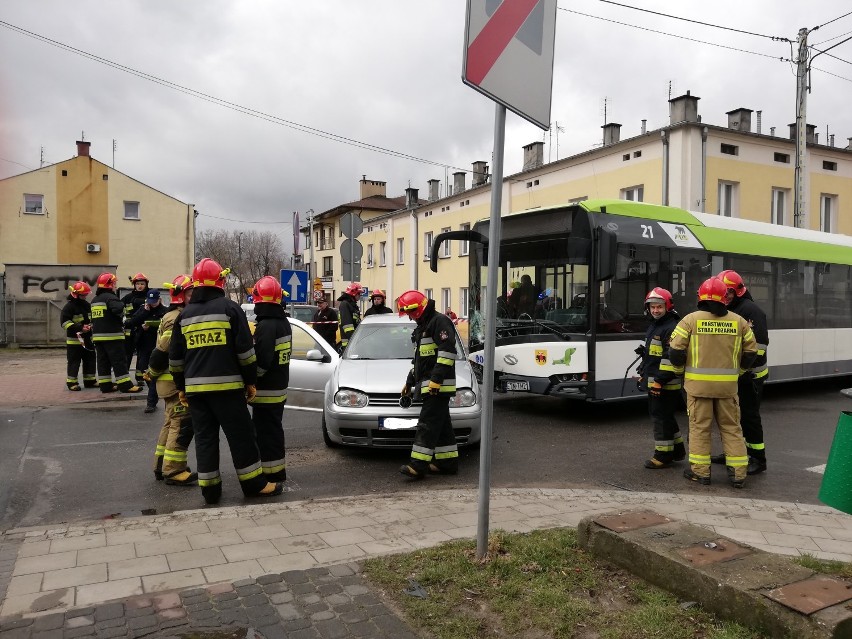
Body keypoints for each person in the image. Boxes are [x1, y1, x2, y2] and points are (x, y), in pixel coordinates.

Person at [169, 258, 284, 505]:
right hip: (228, 390)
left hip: (196, 392)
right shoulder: (230, 309)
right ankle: (254, 485)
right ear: (220, 280)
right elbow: (246, 353)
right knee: (241, 437)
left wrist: (181, 387)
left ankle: (210, 491)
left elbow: (176, 359)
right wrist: (250, 381)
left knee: (205, 439)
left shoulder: (185, 315)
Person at [668, 277, 757, 488]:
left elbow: (675, 351)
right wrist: (739, 372)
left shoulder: (690, 320)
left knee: (700, 429)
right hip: (728, 388)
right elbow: (751, 353)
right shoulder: (739, 322)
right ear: (724, 298)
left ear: (700, 296)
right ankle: (738, 474)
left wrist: (681, 372)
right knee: (732, 428)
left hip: (697, 388)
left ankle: (700, 473)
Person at [711, 270, 770, 476]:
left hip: (750, 376)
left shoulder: (750, 310)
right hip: (735, 375)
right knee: (733, 418)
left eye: (728, 293)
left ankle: (757, 458)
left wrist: (744, 368)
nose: (724, 296)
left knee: (749, 417)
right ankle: (735, 453)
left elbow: (759, 347)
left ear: (737, 292)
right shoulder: (728, 310)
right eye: (721, 292)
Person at [397, 289, 459, 479]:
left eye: (411, 313)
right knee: (441, 426)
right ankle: (447, 463)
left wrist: (436, 380)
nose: (410, 317)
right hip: (431, 385)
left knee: (427, 424)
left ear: (420, 308)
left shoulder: (439, 321)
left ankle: (418, 465)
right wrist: (409, 382)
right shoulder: (424, 326)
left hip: (438, 386)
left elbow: (447, 350)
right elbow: (422, 361)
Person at [144, 274, 197, 486]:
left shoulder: (172, 315)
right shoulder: (176, 318)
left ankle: (160, 465)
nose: (195, 296)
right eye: (191, 294)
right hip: (174, 384)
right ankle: (174, 470)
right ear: (180, 296)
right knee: (181, 425)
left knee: (169, 424)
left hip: (167, 383)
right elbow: (162, 351)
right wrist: (152, 372)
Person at [635, 288, 685, 469]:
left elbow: (669, 359)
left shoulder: (671, 327)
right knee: (667, 417)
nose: (655, 310)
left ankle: (663, 455)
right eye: (652, 307)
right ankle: (677, 450)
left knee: (660, 418)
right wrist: (644, 374)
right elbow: (653, 356)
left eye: (659, 307)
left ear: (668, 306)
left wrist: (658, 381)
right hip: (656, 381)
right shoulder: (656, 325)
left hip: (665, 384)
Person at [249, 276, 292, 483]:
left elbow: (262, 362)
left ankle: (271, 474)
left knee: (265, 434)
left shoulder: (266, 326)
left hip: (266, 391)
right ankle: (276, 471)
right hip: (279, 387)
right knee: (273, 431)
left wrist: (250, 381)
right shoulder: (283, 322)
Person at [91, 272, 143, 394]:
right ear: (110, 285)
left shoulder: (95, 300)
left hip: (98, 338)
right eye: (114, 283)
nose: (115, 286)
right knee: (119, 361)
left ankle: (105, 385)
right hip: (113, 337)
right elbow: (119, 309)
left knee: (103, 362)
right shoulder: (111, 297)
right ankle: (125, 386)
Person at [128, 289, 169, 413]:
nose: (152, 304)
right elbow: (131, 322)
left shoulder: (165, 311)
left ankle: (151, 402)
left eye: (154, 302)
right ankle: (153, 393)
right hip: (143, 346)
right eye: (150, 302)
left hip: (158, 346)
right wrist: (144, 314)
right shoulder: (143, 309)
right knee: (143, 371)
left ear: (159, 299)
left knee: (153, 374)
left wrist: (154, 326)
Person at [60, 281, 97, 391]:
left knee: (90, 360)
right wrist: (80, 328)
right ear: (76, 294)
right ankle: (72, 383)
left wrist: (91, 326)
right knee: (74, 362)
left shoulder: (86, 305)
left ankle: (90, 381)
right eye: (83, 295)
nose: (85, 296)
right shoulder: (69, 307)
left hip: (88, 339)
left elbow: (92, 318)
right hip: (74, 341)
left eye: (86, 294)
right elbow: (64, 323)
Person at [122, 272, 151, 385]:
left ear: (146, 284)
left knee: (142, 355)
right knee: (127, 355)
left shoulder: (149, 297)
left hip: (144, 331)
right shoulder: (128, 298)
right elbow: (120, 310)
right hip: (129, 331)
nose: (140, 286)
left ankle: (140, 377)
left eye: (142, 284)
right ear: (134, 285)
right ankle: (125, 378)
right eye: (138, 283)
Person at [337, 281, 362, 350]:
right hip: (349, 343)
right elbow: (347, 326)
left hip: (353, 341)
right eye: (359, 294)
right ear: (354, 293)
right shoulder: (345, 305)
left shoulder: (351, 304)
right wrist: (353, 339)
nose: (360, 296)